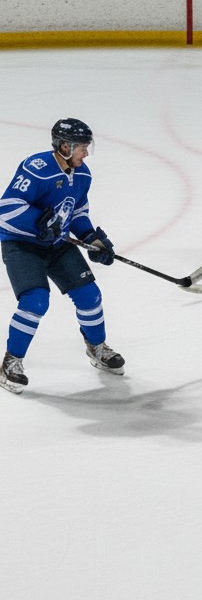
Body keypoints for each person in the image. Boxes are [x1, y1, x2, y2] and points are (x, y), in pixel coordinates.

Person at [0, 118, 124, 394]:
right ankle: (11, 362)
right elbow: (7, 208)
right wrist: (38, 222)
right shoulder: (37, 168)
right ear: (64, 146)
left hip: (56, 245)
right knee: (35, 300)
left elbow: (78, 212)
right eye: (82, 147)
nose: (86, 153)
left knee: (89, 295)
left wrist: (92, 239)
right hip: (22, 245)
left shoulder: (83, 175)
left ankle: (97, 348)